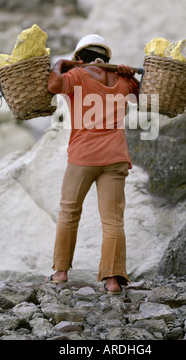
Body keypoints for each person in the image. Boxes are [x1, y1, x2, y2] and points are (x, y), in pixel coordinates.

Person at [46, 34, 139, 294]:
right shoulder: (123, 80)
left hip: (83, 157)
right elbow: (146, 95)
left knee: (69, 212)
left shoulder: (76, 75)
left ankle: (60, 272)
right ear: (107, 59)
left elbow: (53, 86)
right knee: (113, 222)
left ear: (79, 59)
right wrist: (130, 75)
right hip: (116, 157)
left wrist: (60, 64)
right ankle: (112, 281)